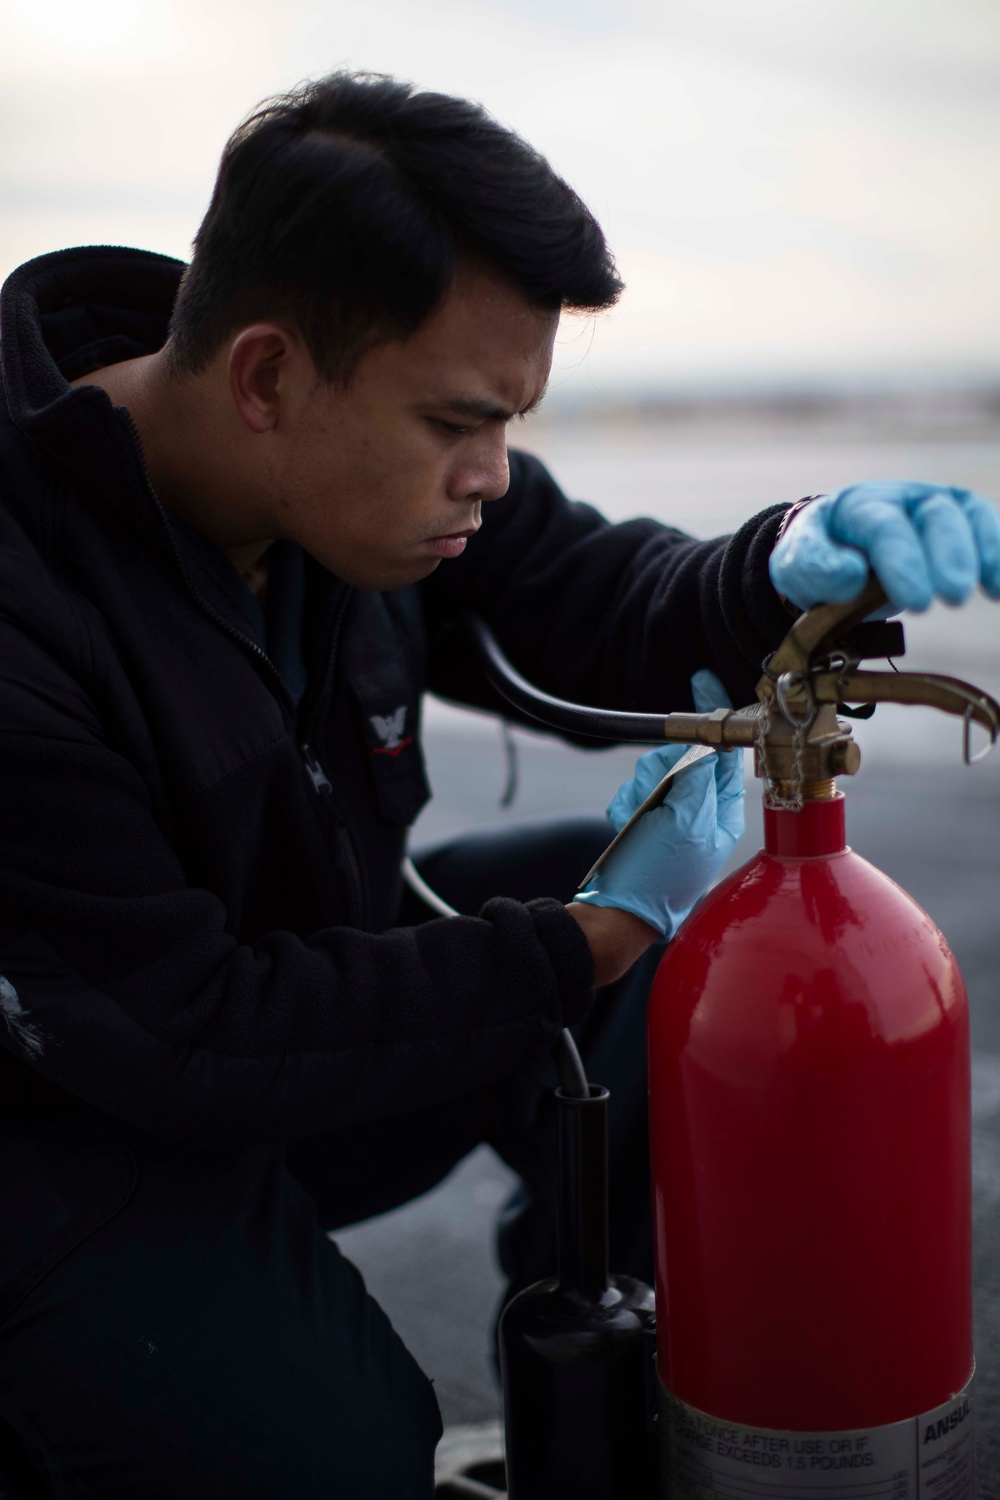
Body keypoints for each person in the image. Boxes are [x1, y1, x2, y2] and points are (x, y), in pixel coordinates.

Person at [0, 70, 997, 1499]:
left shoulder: (361, 474)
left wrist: (786, 556)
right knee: (344, 1460)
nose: (491, 475)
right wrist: (589, 937)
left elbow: (598, 589)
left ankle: (628, 1378)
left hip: (281, 1043)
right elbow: (183, 1031)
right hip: (75, 1122)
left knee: (667, 965)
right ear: (268, 376)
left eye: (513, 423)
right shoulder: (25, 602)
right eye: (460, 425)